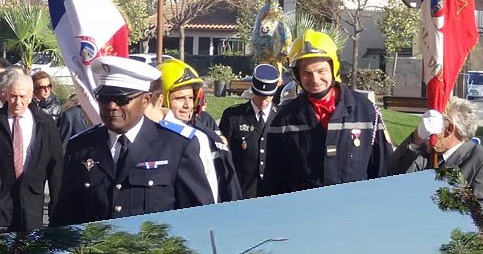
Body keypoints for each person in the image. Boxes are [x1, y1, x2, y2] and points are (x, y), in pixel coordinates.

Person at [54, 56, 213, 225]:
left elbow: (199, 218)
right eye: (104, 98)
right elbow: (65, 218)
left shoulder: (178, 146)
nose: (112, 106)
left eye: (122, 99)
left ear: (146, 100)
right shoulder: (80, 147)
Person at [260, 30, 392, 196]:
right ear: (297, 75)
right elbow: (273, 181)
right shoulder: (284, 120)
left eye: (321, 71)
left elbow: (384, 170)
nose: (314, 79)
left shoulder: (365, 110)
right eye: (307, 73)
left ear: (333, 68)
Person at [387, 96, 483, 231]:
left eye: (433, 126)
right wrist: (417, 137)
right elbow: (392, 174)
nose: (428, 132)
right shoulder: (428, 154)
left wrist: (443, 192)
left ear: (449, 129)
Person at [0, 68, 62, 233]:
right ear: (6, 94)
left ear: (30, 97)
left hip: (31, 209)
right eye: (13, 96)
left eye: (22, 97)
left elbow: (55, 167)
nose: (17, 102)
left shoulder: (45, 123)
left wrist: (56, 209)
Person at [154, 60, 242, 203]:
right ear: (161, 99)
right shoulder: (147, 135)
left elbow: (229, 187)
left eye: (191, 98)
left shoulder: (206, 137)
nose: (187, 105)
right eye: (179, 98)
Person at [218, 63, 280, 198]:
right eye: (259, 95)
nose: (263, 100)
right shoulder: (233, 116)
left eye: (267, 96)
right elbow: (223, 156)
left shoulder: (282, 117)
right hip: (243, 191)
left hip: (274, 192)